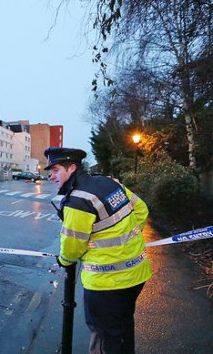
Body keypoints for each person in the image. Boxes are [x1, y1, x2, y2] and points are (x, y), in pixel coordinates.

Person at [44, 147, 152, 354]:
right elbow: (141, 209)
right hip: (137, 275)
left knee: (105, 337)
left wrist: (64, 261)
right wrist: (128, 240)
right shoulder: (110, 182)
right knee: (123, 328)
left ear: (72, 168)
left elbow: (72, 247)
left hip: (106, 284)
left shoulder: (78, 201)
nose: (52, 176)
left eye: (56, 170)